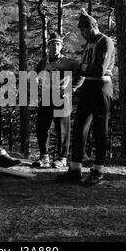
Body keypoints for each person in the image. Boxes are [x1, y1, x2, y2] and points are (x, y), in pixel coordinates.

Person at [56, 10, 115, 186]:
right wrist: (73, 88)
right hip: (88, 87)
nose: (82, 34)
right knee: (79, 128)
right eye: (81, 30)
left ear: (92, 27)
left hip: (101, 87)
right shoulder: (89, 43)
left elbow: (99, 69)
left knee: (99, 129)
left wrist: (78, 66)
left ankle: (98, 170)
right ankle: (75, 169)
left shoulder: (105, 41)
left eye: (84, 30)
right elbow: (83, 71)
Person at [32, 32, 79, 169]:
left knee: (62, 129)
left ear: (61, 46)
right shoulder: (43, 62)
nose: (55, 47)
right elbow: (35, 74)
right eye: (52, 44)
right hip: (47, 97)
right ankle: (44, 157)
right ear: (48, 46)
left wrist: (73, 88)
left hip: (62, 98)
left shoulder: (68, 62)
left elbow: (81, 73)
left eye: (58, 44)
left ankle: (62, 158)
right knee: (42, 127)